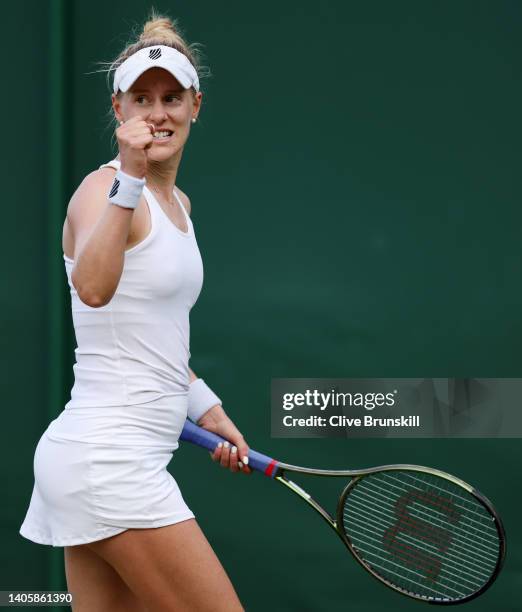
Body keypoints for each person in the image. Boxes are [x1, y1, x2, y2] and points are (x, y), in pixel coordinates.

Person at [19, 11, 250, 612]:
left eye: (172, 97)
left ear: (195, 105)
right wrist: (129, 175)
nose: (158, 112)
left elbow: (154, 338)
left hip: (101, 462)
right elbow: (93, 291)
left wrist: (208, 408)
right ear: (118, 110)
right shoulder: (105, 189)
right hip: (109, 463)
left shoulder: (180, 204)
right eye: (140, 98)